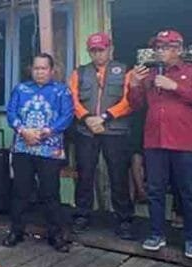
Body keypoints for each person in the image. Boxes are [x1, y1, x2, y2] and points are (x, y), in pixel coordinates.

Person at [129, 30, 192, 260]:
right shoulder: (150, 74)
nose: (160, 51)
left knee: (188, 192)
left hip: (185, 141)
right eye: (158, 47)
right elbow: (135, 105)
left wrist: (174, 86)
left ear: (178, 49)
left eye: (165, 47)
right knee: (155, 190)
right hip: (155, 140)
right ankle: (157, 234)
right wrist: (135, 85)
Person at [3, 53, 74, 252]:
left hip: (49, 150)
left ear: (51, 70)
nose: (40, 72)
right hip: (23, 148)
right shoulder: (21, 89)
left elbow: (67, 116)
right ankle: (16, 231)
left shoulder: (61, 91)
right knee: (20, 191)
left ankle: (56, 235)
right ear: (31, 70)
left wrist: (47, 131)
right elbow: (11, 112)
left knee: (50, 193)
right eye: (36, 68)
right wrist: (23, 130)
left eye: (44, 68)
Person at [69, 32, 134, 240]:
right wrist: (87, 118)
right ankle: (82, 214)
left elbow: (129, 101)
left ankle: (124, 219)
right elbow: (73, 99)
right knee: (85, 173)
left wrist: (105, 117)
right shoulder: (79, 72)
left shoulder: (125, 71)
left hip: (114, 131)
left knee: (118, 175)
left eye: (102, 49)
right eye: (94, 50)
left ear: (110, 49)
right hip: (86, 130)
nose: (98, 54)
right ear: (89, 51)